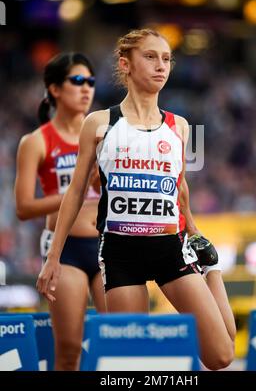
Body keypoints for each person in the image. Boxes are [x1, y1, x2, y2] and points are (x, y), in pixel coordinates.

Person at [36, 30, 236, 370]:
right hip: (120, 252)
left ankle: (211, 270)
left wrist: (197, 234)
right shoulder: (99, 123)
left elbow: (180, 188)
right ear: (125, 64)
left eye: (167, 59)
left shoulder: (181, 126)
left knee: (220, 356)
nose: (161, 66)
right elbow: (76, 191)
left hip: (169, 249)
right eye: (151, 57)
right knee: (133, 363)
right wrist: (53, 256)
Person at [15, 52, 106, 371]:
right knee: (68, 349)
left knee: (119, 337)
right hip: (64, 248)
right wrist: (77, 190)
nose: (86, 89)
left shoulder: (105, 132)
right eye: (77, 81)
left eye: (91, 82)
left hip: (109, 245)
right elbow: (24, 208)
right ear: (54, 89)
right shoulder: (36, 141)